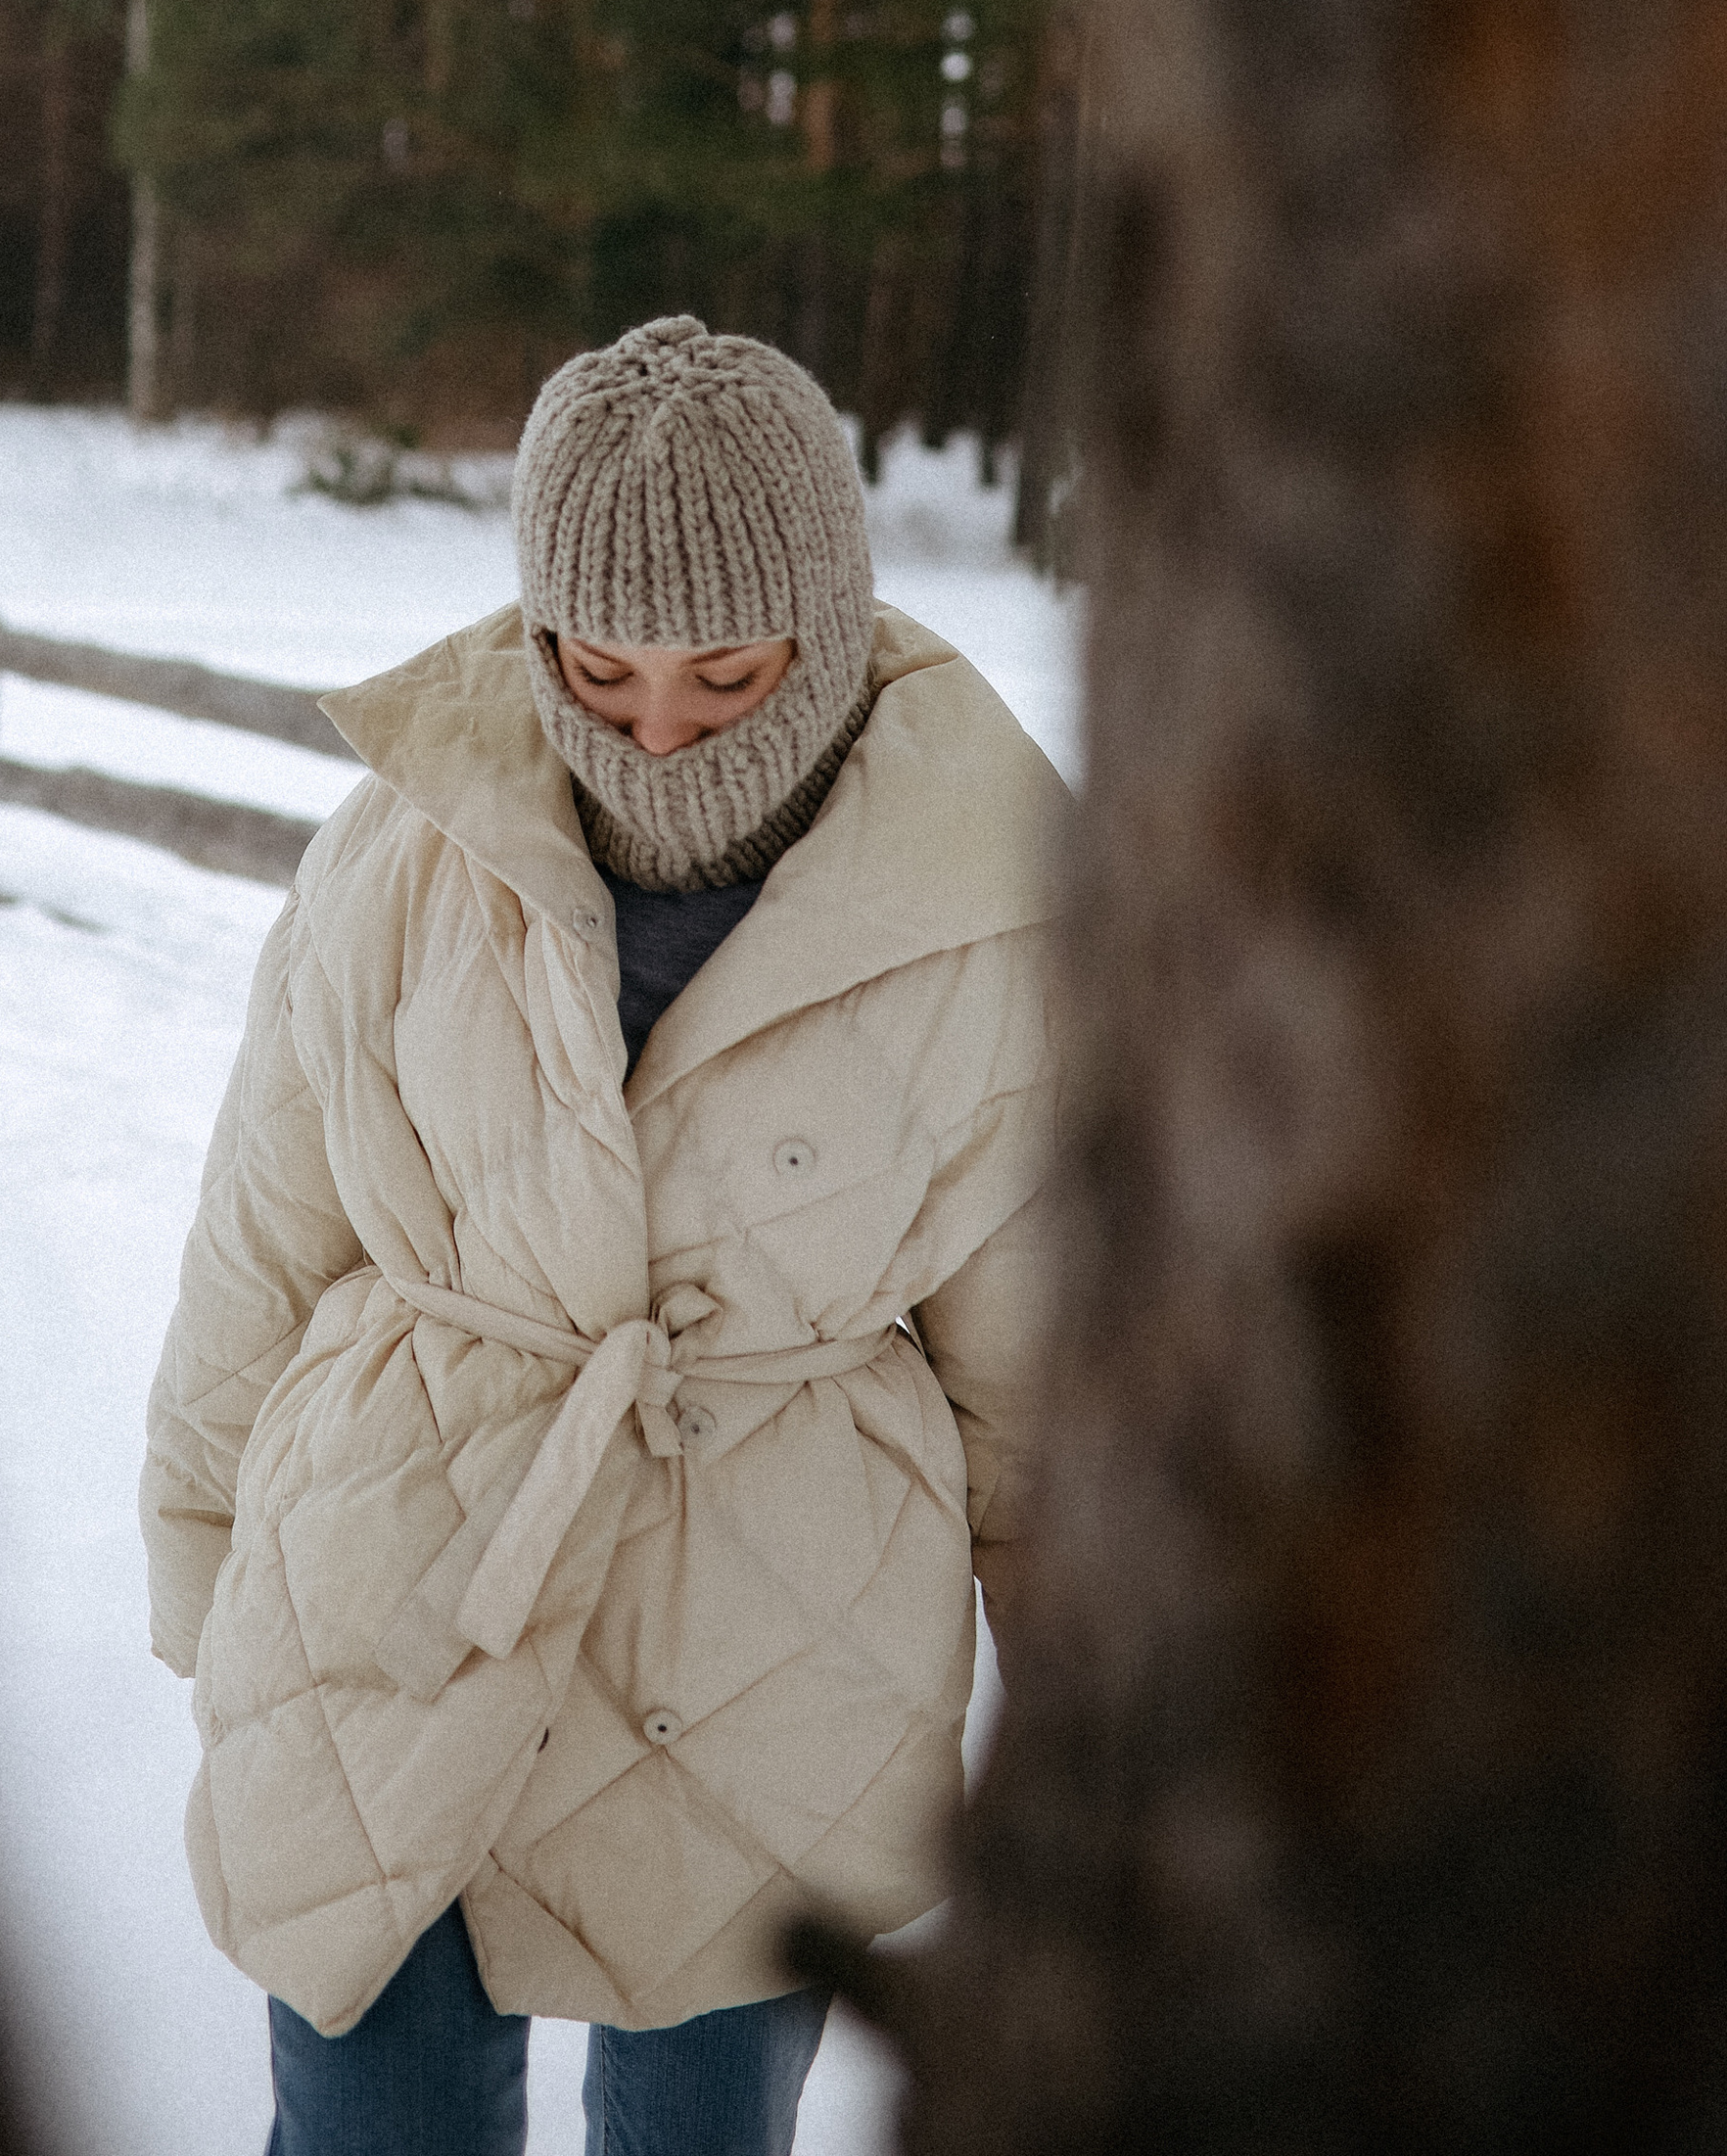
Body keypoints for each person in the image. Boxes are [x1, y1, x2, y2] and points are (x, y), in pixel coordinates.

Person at [142, 317, 1064, 2155]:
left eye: (727, 672)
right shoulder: (397, 856)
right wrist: (199, 1538)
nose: (660, 727)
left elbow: (1035, 1352)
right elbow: (266, 1228)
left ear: (832, 619)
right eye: (601, 664)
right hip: (396, 1587)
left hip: (779, 1653)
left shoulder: (994, 907)